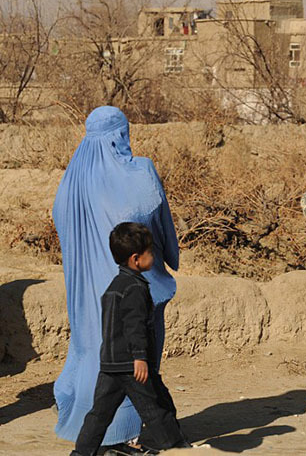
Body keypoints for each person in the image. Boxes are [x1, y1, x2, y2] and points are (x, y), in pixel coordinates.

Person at [53, 106, 179, 446]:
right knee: (141, 359)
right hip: (137, 287)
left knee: (96, 352)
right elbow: (158, 223)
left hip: (88, 294)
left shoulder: (71, 183)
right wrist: (168, 255)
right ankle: (138, 433)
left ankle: (91, 435)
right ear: (121, 135)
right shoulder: (140, 172)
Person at [71, 223, 189, 456]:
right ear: (136, 259)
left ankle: (81, 453)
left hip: (110, 364)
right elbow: (135, 327)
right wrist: (140, 358)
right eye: (151, 252)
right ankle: (178, 450)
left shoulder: (114, 286)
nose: (153, 257)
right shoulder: (135, 288)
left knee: (99, 414)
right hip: (132, 365)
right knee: (157, 408)